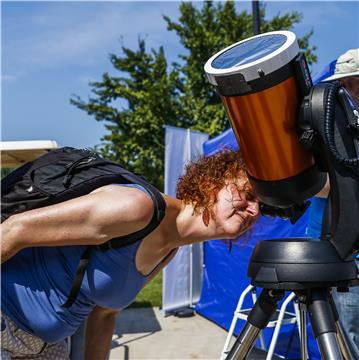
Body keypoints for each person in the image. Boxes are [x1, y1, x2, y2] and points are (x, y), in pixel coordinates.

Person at [1, 148, 260, 360]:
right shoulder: (137, 208)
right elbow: (14, 230)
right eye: (247, 194)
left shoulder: (170, 249)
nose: (255, 211)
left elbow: (105, 313)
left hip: (45, 347)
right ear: (211, 183)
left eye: (262, 206)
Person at [307, 48, 359, 359]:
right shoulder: (331, 129)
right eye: (347, 84)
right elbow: (319, 187)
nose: (347, 91)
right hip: (338, 259)